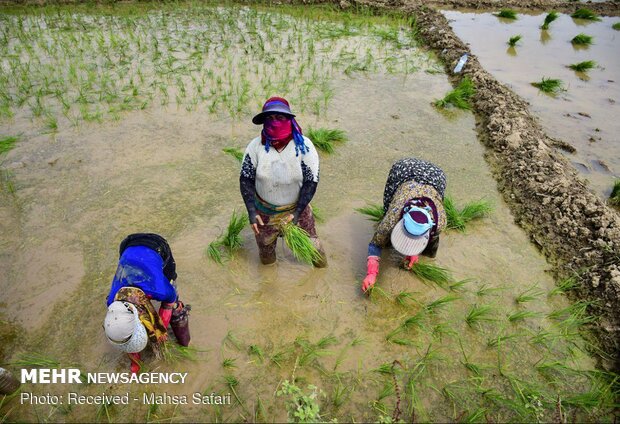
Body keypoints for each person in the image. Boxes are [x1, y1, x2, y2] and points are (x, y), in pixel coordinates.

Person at [239, 96, 327, 267]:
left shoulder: (304, 147)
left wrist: (297, 213)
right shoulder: (255, 147)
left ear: (289, 120)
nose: (275, 122)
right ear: (263, 121)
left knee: (315, 250)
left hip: (297, 209)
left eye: (280, 117)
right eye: (270, 118)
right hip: (264, 212)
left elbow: (311, 182)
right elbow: (245, 180)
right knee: (266, 254)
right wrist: (251, 211)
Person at [103, 233, 191, 373]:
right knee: (131, 323)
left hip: (157, 246)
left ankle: (183, 339)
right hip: (127, 247)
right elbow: (124, 331)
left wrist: (160, 332)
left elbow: (169, 301)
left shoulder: (160, 290)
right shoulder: (112, 302)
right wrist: (135, 363)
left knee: (174, 302)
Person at [362, 158, 447, 292]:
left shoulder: (440, 222)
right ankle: (389, 238)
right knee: (386, 218)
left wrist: (415, 252)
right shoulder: (393, 216)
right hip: (404, 171)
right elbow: (375, 244)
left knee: (431, 248)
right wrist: (371, 274)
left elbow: (431, 239)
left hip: (435, 176)